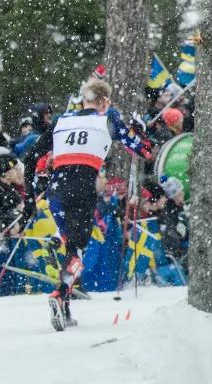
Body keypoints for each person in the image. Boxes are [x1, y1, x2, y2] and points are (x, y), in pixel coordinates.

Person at [23, 78, 152, 329]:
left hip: (56, 191)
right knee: (77, 251)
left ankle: (66, 305)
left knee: (70, 246)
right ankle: (60, 294)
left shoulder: (62, 120)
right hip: (82, 189)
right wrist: (141, 131)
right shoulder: (109, 118)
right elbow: (143, 150)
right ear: (105, 101)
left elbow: (30, 159)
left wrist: (29, 197)